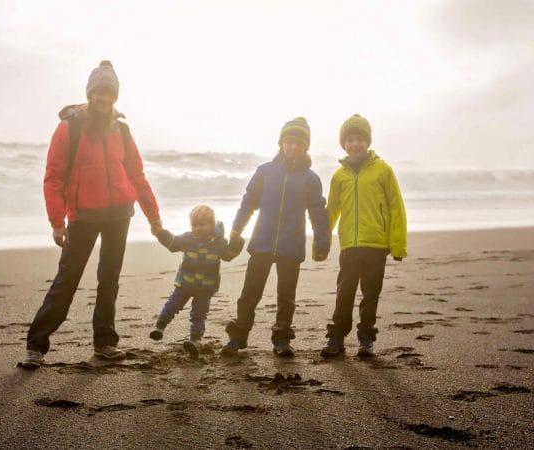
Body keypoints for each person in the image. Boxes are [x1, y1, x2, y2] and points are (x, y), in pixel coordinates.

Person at [20, 60, 162, 369]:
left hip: (119, 215)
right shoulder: (69, 127)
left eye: (109, 94)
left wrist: (153, 217)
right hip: (83, 215)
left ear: (116, 96)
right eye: (99, 93)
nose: (104, 99)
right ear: (89, 93)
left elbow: (137, 175)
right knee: (67, 279)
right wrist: (57, 222)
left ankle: (105, 344)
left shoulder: (121, 129)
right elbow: (53, 177)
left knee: (109, 280)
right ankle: (36, 346)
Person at [221, 117, 331, 358]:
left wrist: (322, 242)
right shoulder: (265, 172)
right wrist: (236, 230)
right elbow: (248, 202)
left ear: (306, 147)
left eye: (299, 143)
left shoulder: (310, 179)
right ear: (281, 144)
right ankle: (238, 336)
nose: (294, 147)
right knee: (249, 293)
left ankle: (282, 339)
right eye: (289, 142)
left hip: (291, 247)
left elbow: (318, 213)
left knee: (286, 297)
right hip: (261, 242)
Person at [320, 114, 407, 358]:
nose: (354, 143)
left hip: (376, 246)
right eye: (349, 139)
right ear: (343, 144)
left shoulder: (383, 170)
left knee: (370, 295)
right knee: (343, 294)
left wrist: (397, 245)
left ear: (367, 142)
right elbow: (332, 211)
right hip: (349, 245)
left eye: (359, 139)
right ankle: (336, 337)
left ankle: (366, 338)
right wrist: (322, 241)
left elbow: (395, 208)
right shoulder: (339, 176)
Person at [149, 205, 244, 355]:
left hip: (205, 289)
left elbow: (229, 254)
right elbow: (172, 243)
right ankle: (159, 327)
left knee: (198, 315)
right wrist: (160, 233)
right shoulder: (187, 238)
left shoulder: (219, 243)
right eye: (194, 225)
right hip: (184, 284)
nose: (198, 228)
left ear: (212, 225)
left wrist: (237, 241)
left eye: (202, 225)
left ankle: (195, 340)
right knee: (172, 305)